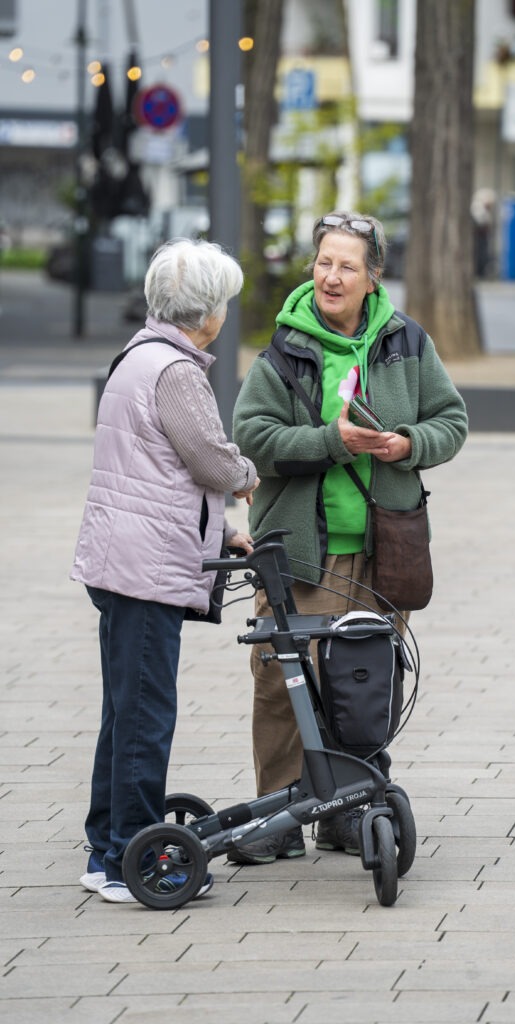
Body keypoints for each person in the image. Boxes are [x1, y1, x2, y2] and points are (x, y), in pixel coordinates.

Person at [231, 210, 468, 864]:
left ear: (373, 277)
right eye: (323, 263)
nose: (331, 276)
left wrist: (408, 443)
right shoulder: (284, 348)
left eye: (346, 266)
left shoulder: (405, 341)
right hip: (301, 552)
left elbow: (451, 420)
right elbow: (252, 439)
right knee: (283, 681)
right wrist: (330, 442)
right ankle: (278, 814)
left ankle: (348, 809)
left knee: (363, 682)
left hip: (382, 548)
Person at [71, 238, 259, 903]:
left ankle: (106, 851)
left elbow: (158, 473)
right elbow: (208, 458)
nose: (225, 315)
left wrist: (223, 533)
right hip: (144, 569)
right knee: (146, 716)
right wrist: (248, 476)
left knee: (124, 712)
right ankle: (131, 858)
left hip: (122, 558)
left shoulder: (137, 356)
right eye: (224, 304)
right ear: (206, 313)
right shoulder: (176, 371)